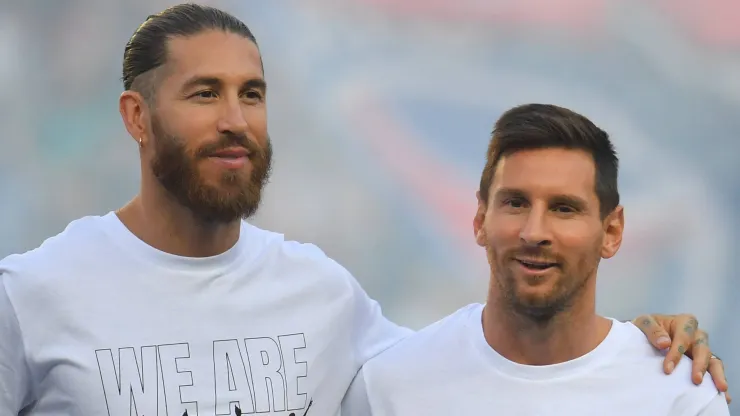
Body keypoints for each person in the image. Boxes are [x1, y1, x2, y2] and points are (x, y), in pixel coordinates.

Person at [0, 4, 728, 416]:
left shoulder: (324, 296)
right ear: (136, 116)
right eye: (203, 94)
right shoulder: (33, 295)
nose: (235, 121)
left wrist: (630, 341)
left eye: (251, 95)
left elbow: (487, 364)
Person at [340, 104, 731, 415]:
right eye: (515, 203)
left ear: (611, 232)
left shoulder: (677, 395)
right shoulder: (390, 387)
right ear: (479, 220)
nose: (534, 232)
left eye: (564, 208)